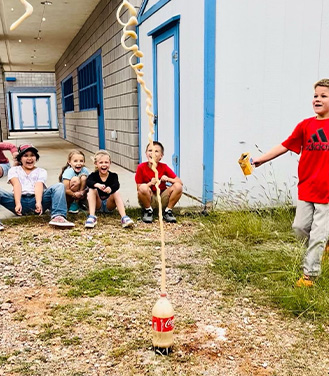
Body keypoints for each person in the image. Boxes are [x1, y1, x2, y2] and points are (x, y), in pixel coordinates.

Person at [252, 78, 329, 287]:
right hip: (307, 187)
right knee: (299, 228)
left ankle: (310, 276)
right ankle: (322, 247)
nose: (318, 99)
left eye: (324, 96)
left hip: (327, 193)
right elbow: (285, 145)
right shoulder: (305, 125)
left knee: (318, 233)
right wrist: (261, 159)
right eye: (315, 95)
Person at [0, 144, 74, 230]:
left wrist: (38, 202)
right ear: (20, 158)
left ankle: (58, 217)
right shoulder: (14, 170)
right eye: (25, 156)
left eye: (32, 155)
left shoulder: (41, 171)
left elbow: (38, 185)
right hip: (18, 201)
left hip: (37, 201)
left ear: (36, 158)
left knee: (59, 186)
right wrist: (18, 203)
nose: (29, 158)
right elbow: (17, 185)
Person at [135, 141, 183, 223]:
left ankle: (168, 211)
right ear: (146, 153)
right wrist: (150, 183)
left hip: (162, 197)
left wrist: (168, 179)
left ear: (161, 156)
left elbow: (179, 182)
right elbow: (139, 188)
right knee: (143, 187)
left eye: (156, 151)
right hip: (149, 199)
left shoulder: (164, 167)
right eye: (150, 150)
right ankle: (148, 211)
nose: (152, 153)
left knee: (178, 186)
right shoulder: (141, 167)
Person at [85, 150, 134, 228]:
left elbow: (116, 185)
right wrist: (97, 185)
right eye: (101, 162)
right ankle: (91, 216)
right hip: (98, 204)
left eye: (106, 162)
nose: (104, 165)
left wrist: (110, 189)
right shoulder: (93, 175)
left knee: (116, 192)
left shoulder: (113, 176)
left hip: (109, 204)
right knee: (91, 190)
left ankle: (124, 217)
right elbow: (88, 182)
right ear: (96, 164)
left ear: (110, 163)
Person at [59, 150, 89, 214]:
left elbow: (88, 185)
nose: (78, 163)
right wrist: (74, 194)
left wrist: (82, 192)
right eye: (75, 161)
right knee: (76, 180)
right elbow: (66, 189)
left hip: (81, 194)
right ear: (69, 162)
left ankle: (78, 203)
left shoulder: (85, 170)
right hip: (69, 195)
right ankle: (72, 204)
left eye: (81, 161)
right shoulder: (68, 171)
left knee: (84, 177)